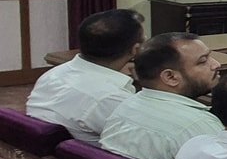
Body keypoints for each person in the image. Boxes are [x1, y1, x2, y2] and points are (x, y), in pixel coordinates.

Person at [100, 33, 224, 159]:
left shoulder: (125, 106)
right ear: (170, 77)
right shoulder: (196, 126)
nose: (216, 64)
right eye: (203, 61)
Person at [26, 8, 144, 145]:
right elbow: (144, 142)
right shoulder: (109, 98)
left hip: (49, 153)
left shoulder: (52, 75)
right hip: (95, 157)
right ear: (135, 49)